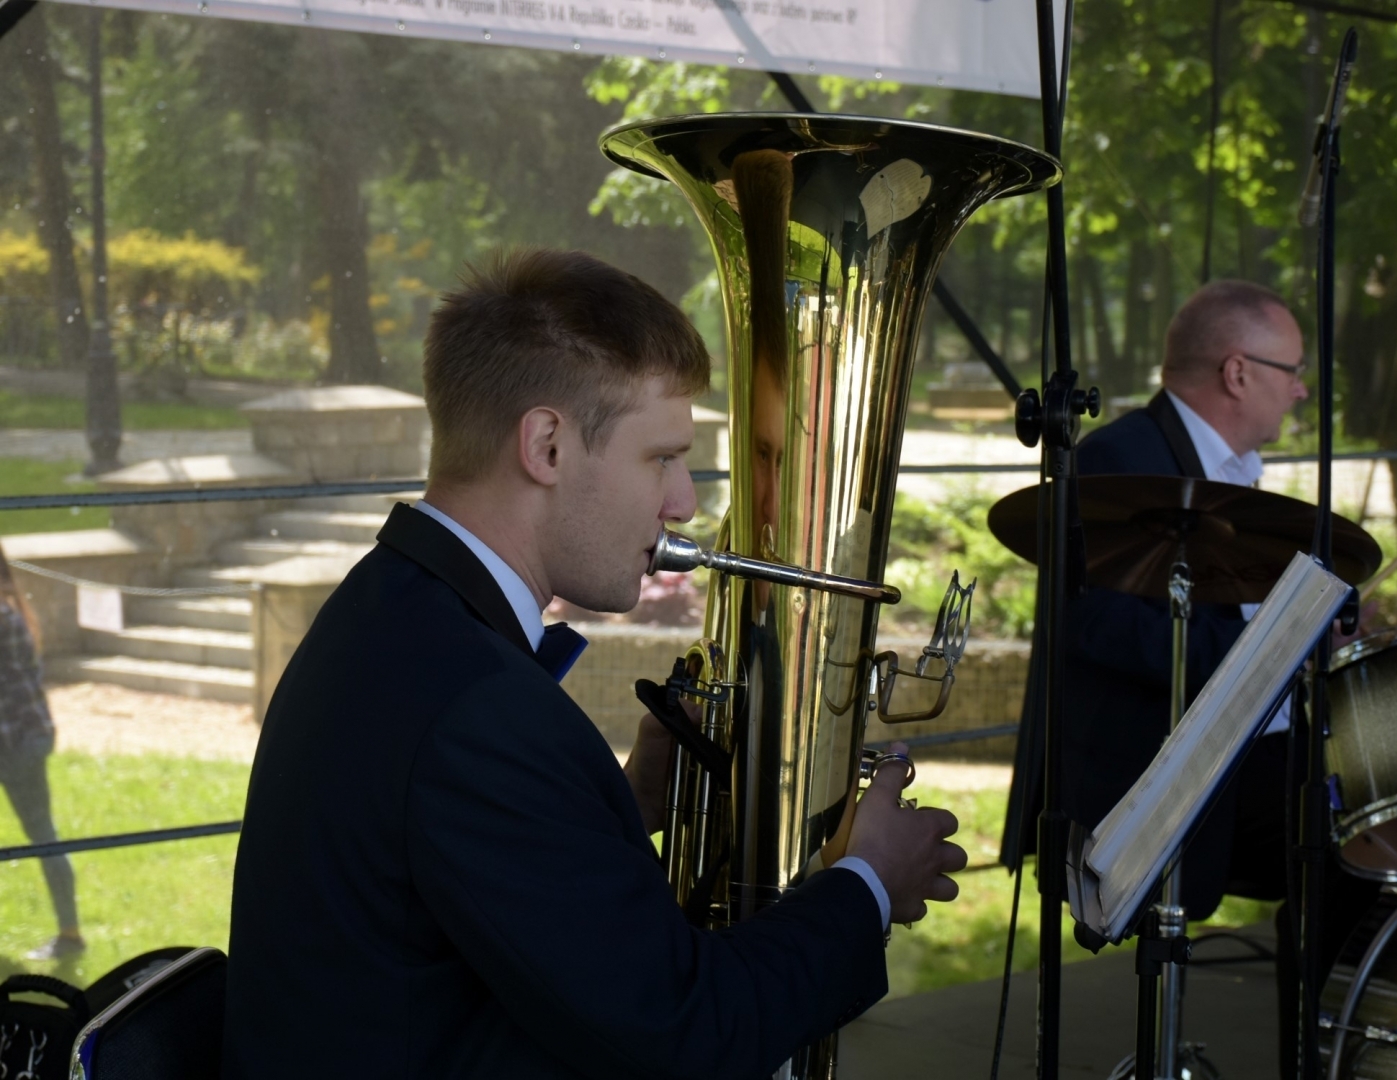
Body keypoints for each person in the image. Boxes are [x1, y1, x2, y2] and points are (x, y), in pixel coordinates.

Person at [223, 247, 967, 1079]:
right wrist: (868, 883)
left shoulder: (389, 609)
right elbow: (686, 1034)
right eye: (661, 458)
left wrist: (621, 804)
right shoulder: (475, 708)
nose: (684, 502)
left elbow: (453, 883)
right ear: (546, 446)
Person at [1001, 279, 1377, 1077]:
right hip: (1158, 766)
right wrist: (1274, 641)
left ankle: (1335, 1046)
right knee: (1344, 839)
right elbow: (1094, 626)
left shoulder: (1228, 466)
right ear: (1237, 372)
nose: (1300, 389)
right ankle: (1317, 1060)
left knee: (1384, 816)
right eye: (1291, 370)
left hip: (1240, 745)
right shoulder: (1121, 460)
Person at [0, 550, 83, 961]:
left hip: (16, 743)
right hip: (23, 739)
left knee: (43, 835)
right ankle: (70, 932)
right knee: (43, 833)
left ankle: (70, 934)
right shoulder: (11, 611)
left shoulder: (3, 616)